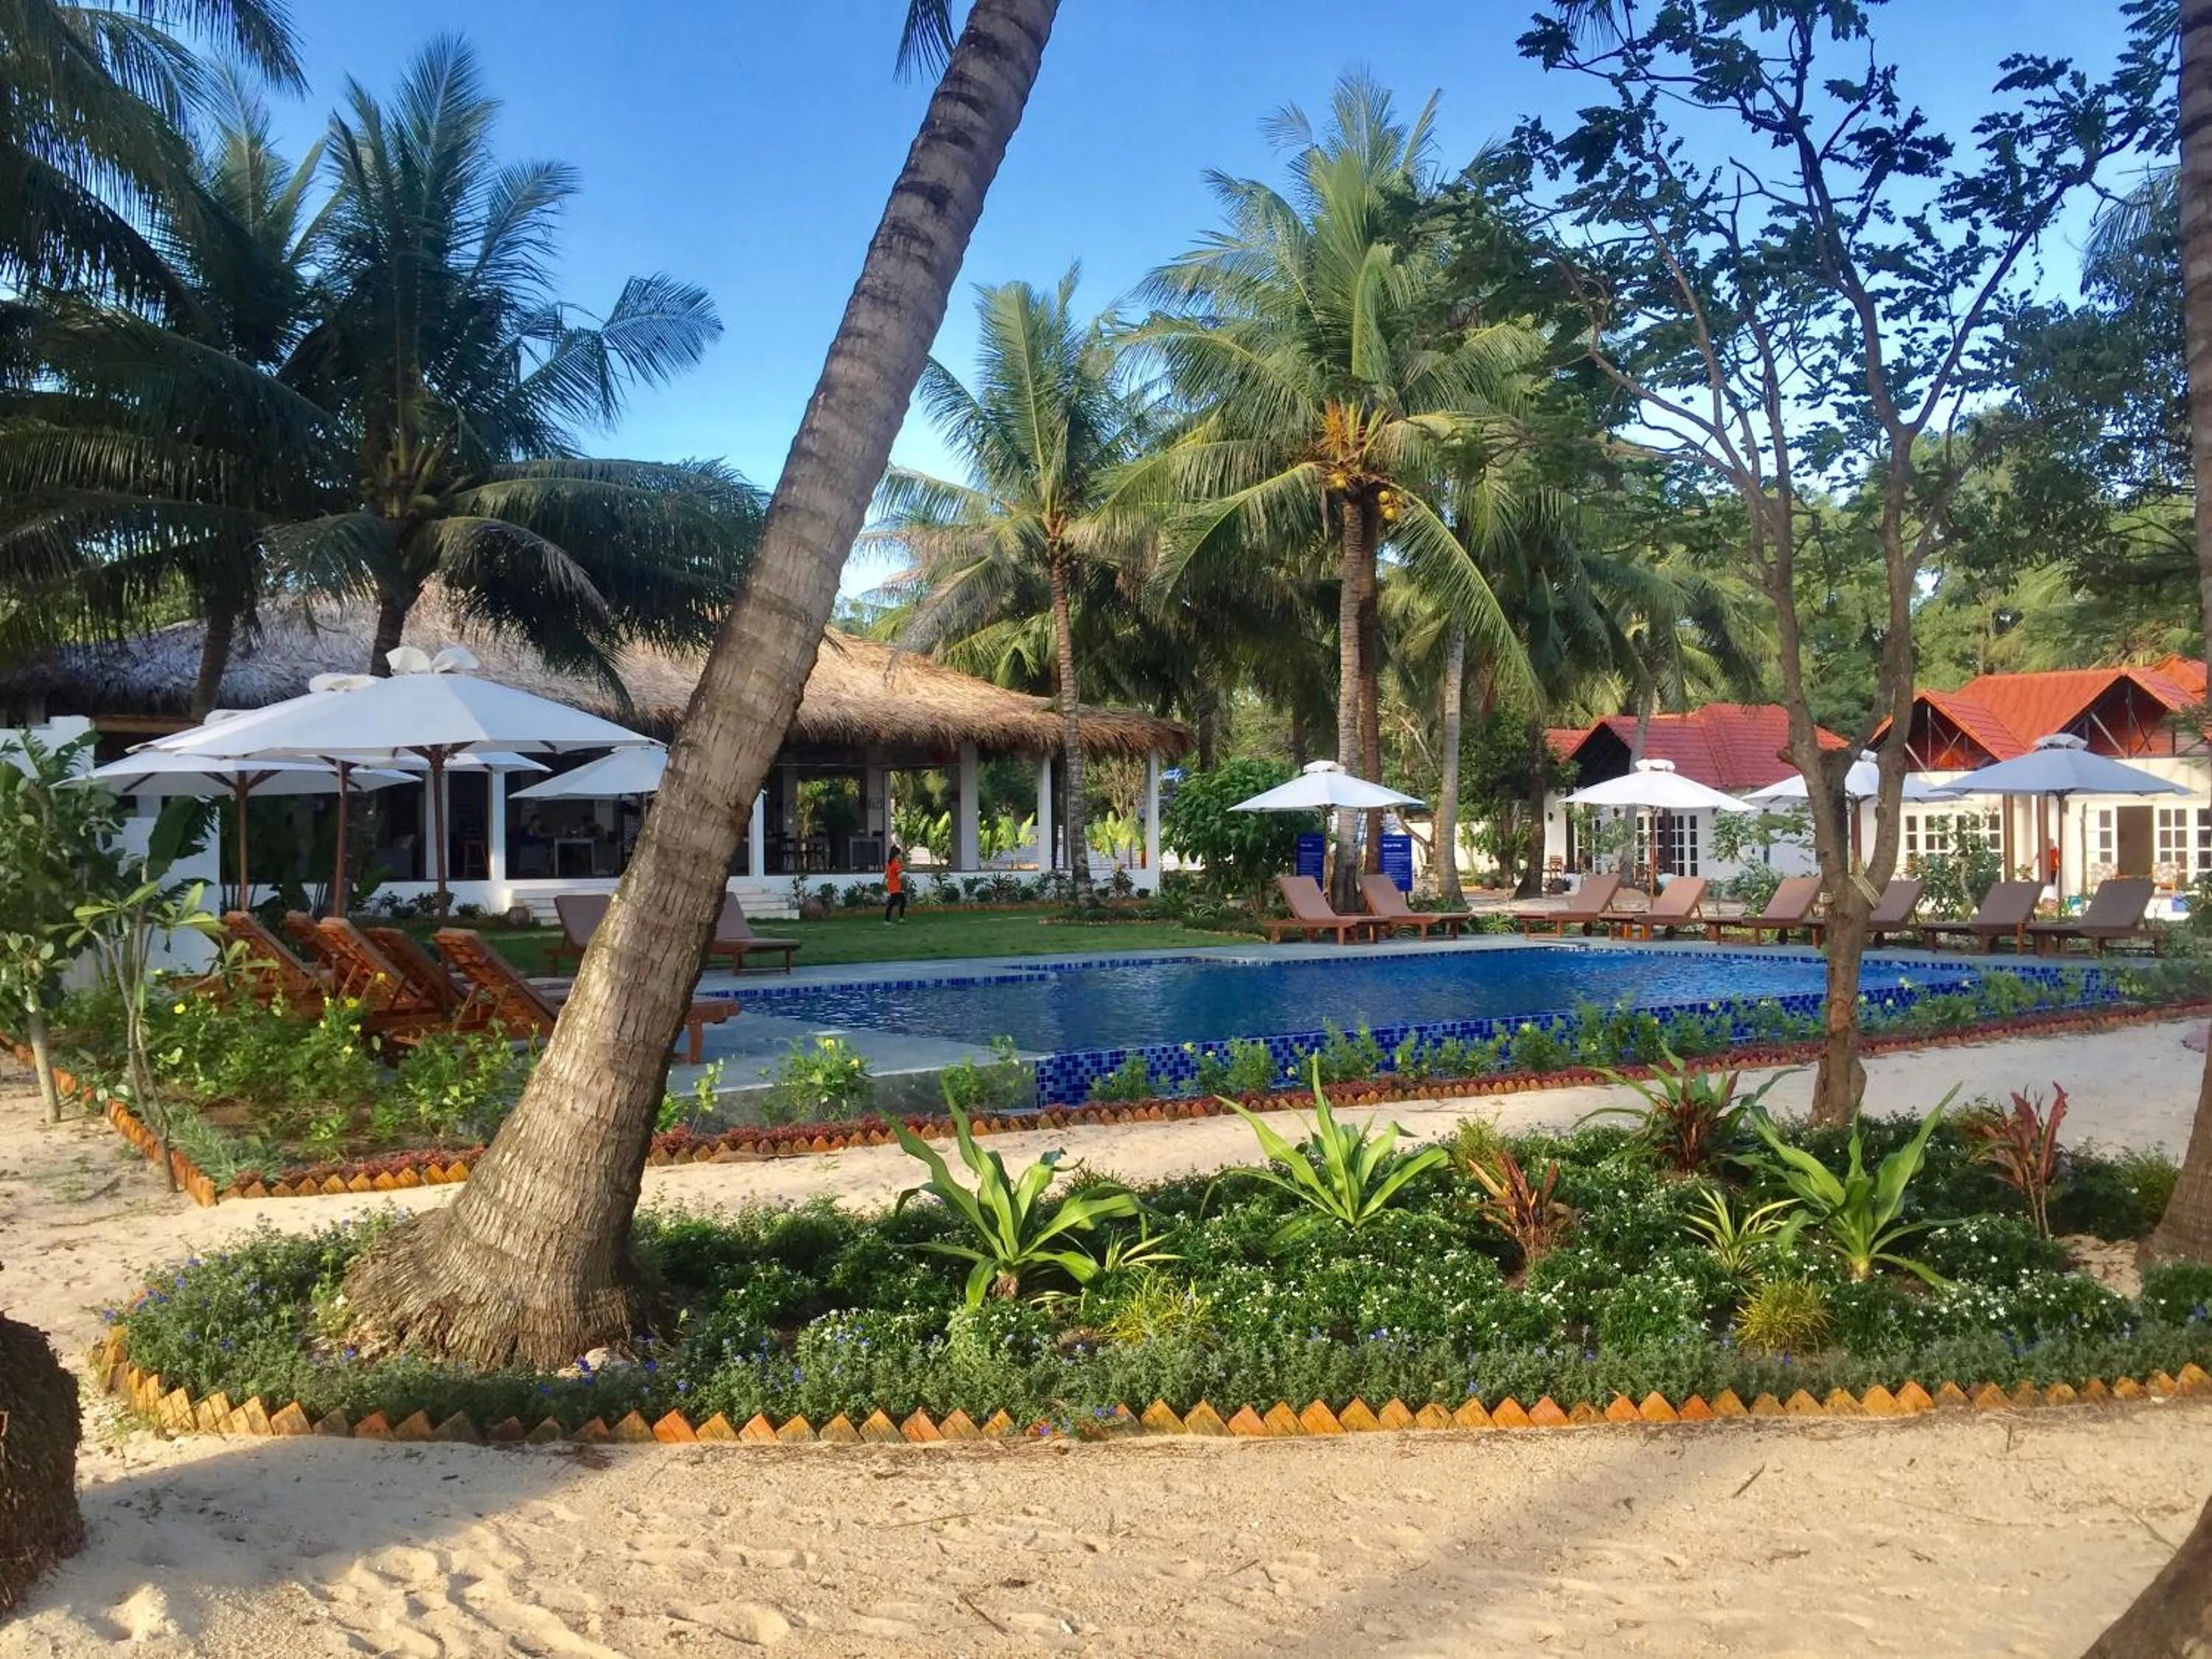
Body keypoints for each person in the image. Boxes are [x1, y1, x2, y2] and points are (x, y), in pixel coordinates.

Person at [883, 844, 906, 924]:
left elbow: (886, 875)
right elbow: (900, 877)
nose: (900, 856)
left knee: (892, 903)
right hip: (896, 887)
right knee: (901, 901)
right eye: (900, 854)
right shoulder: (896, 864)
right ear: (897, 855)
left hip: (891, 886)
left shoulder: (888, 863)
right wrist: (904, 875)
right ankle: (899, 918)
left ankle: (889, 920)